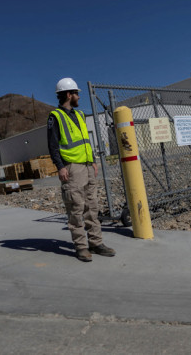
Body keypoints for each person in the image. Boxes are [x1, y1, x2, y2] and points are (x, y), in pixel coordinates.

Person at [47, 77, 116, 262]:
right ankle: (81, 247)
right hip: (72, 169)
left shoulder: (79, 115)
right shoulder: (56, 116)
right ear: (69, 95)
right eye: (76, 93)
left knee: (92, 207)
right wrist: (60, 167)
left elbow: (86, 140)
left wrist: (92, 160)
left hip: (87, 166)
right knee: (76, 209)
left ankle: (96, 243)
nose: (78, 96)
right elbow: (53, 145)